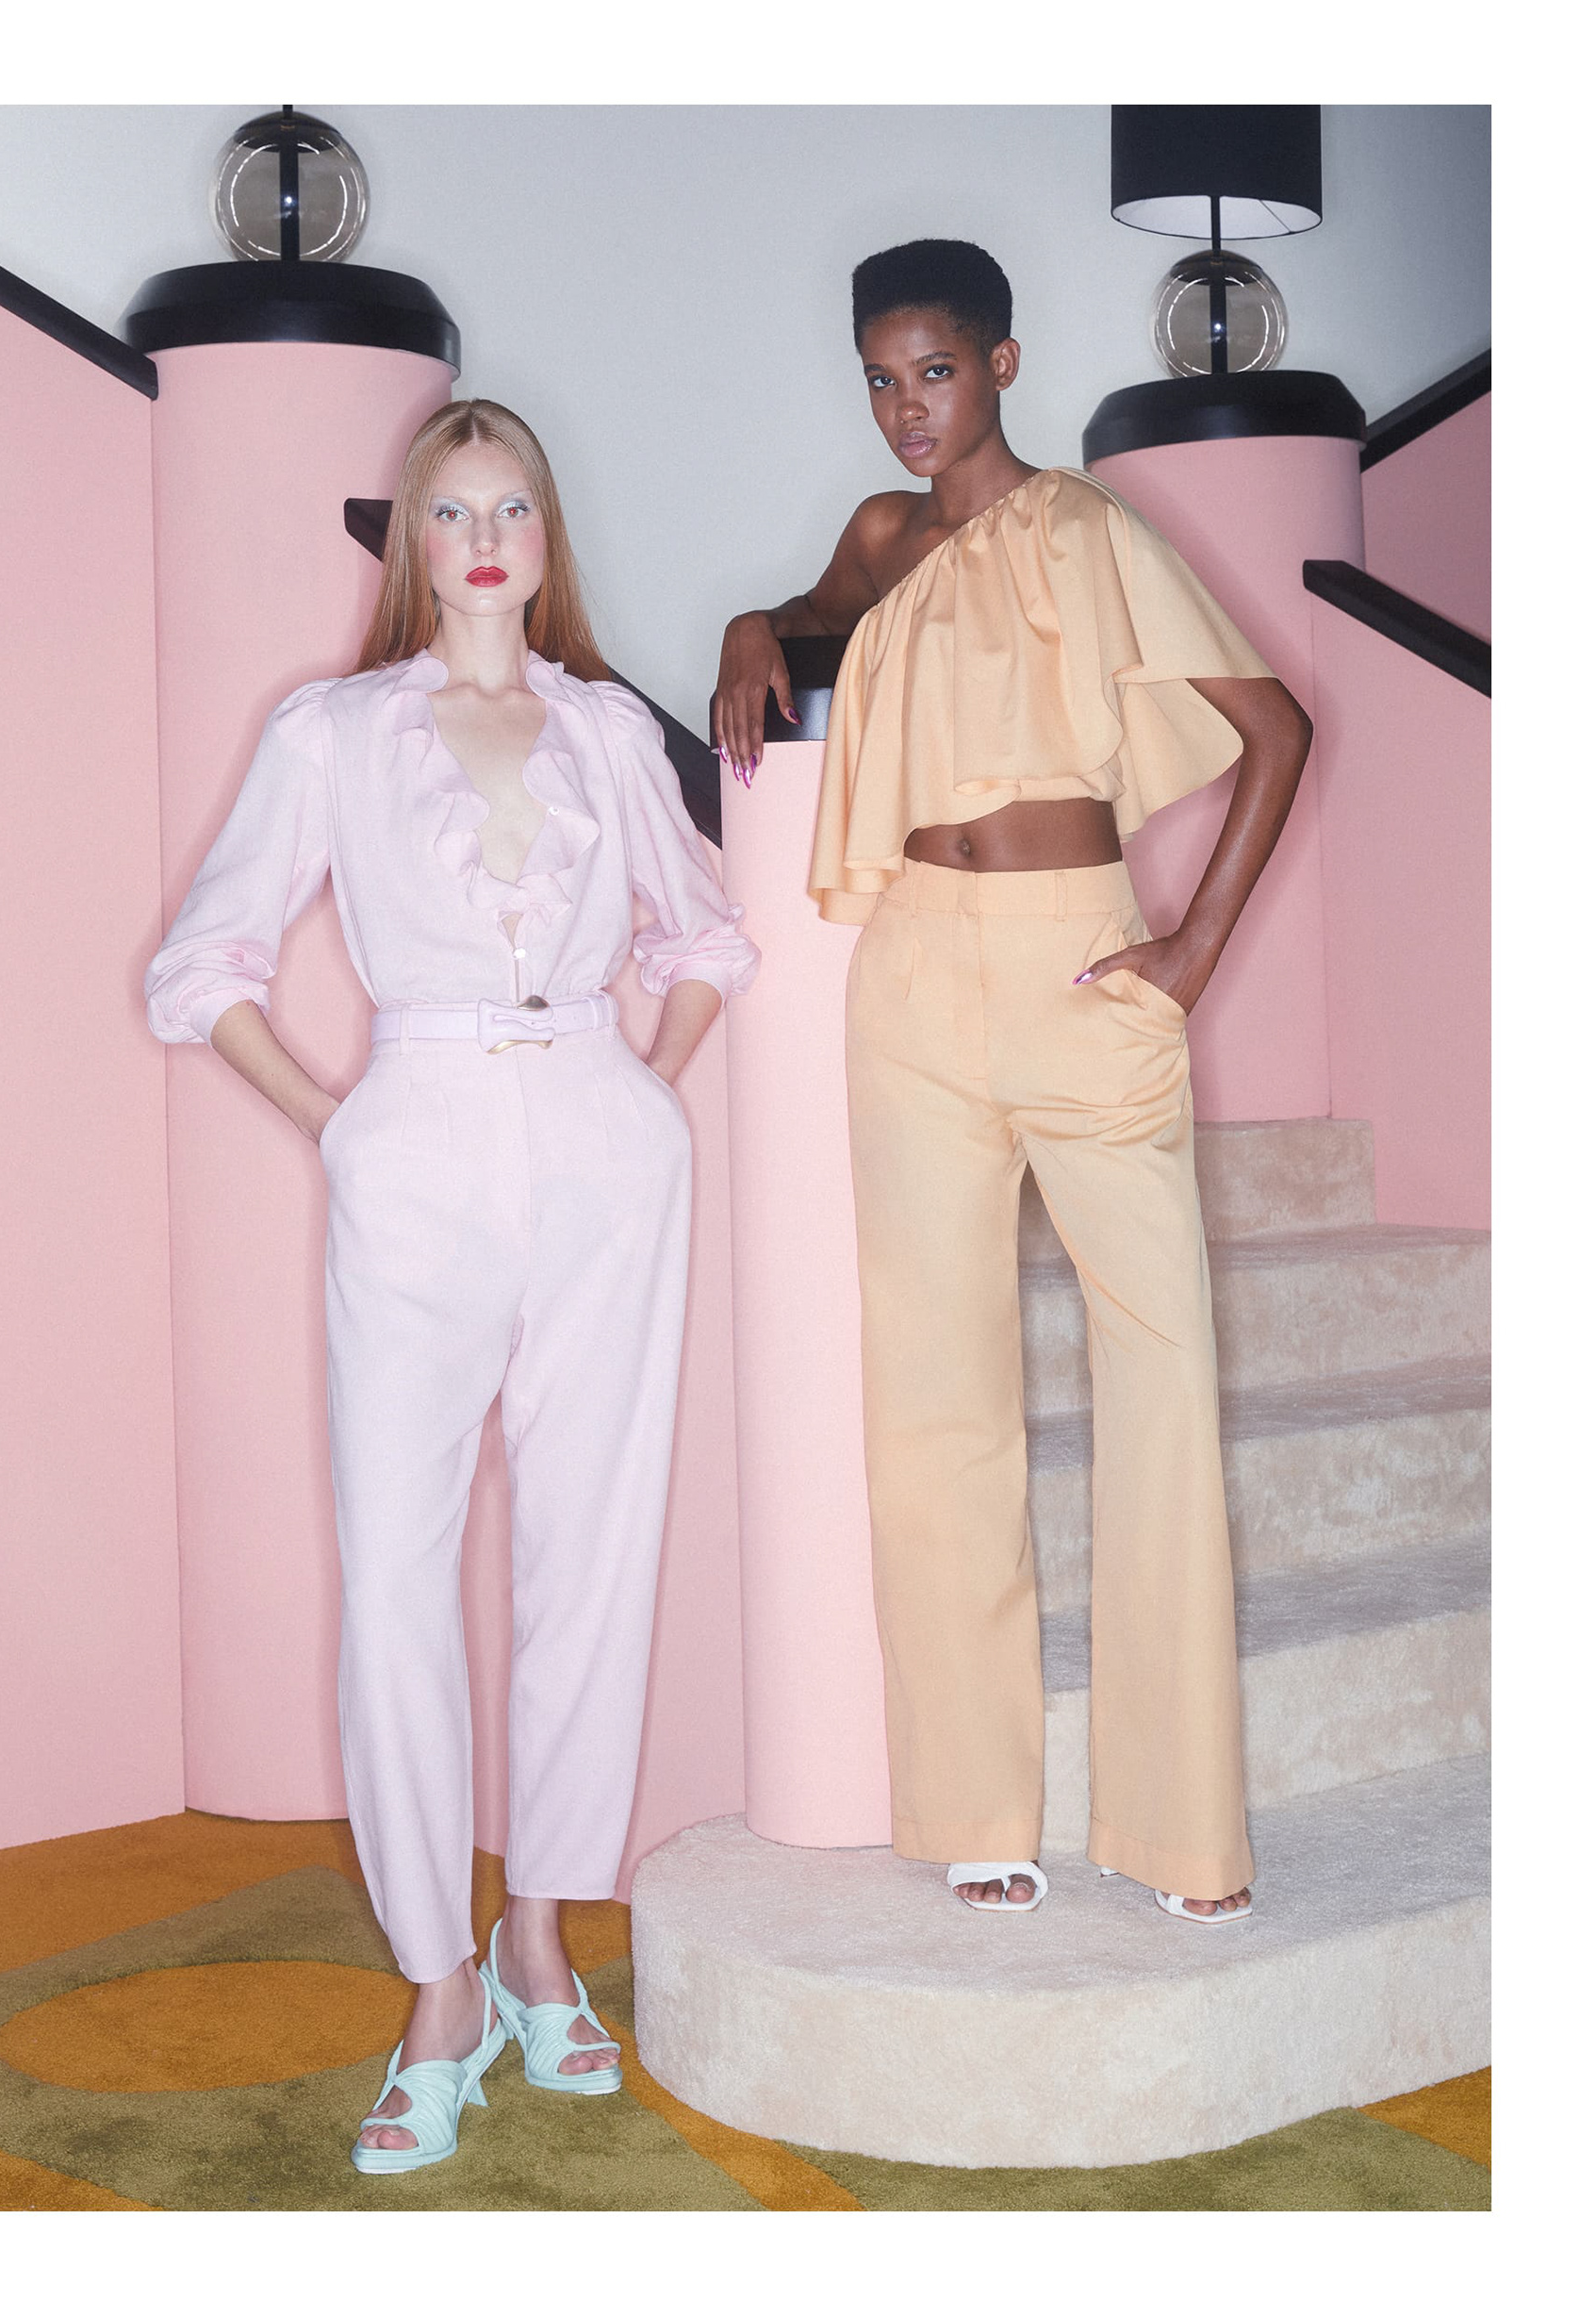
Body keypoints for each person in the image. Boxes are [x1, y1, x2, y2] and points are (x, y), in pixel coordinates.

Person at [146, 399, 758, 2172]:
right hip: (412, 1141)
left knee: (591, 1558)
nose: (484, 541)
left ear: (547, 537)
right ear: (415, 543)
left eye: (512, 509)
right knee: (399, 1578)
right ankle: (439, 1986)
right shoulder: (333, 732)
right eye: (451, 511)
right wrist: (338, 1124)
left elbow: (705, 934)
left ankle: (539, 1942)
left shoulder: (609, 732)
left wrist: (648, 1085)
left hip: (603, 1146)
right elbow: (203, 965)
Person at [712, 239, 1311, 1925]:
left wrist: (1189, 955)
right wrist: (754, 622)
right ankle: (977, 1806)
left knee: (1161, 1372)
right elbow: (814, 617)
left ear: (1003, 365)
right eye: (882, 379)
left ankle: (1181, 1831)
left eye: (937, 371)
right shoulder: (884, 538)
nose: (909, 408)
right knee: (934, 1393)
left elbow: (1276, 730)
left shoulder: (1092, 531)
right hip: (912, 974)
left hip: (1075, 964)